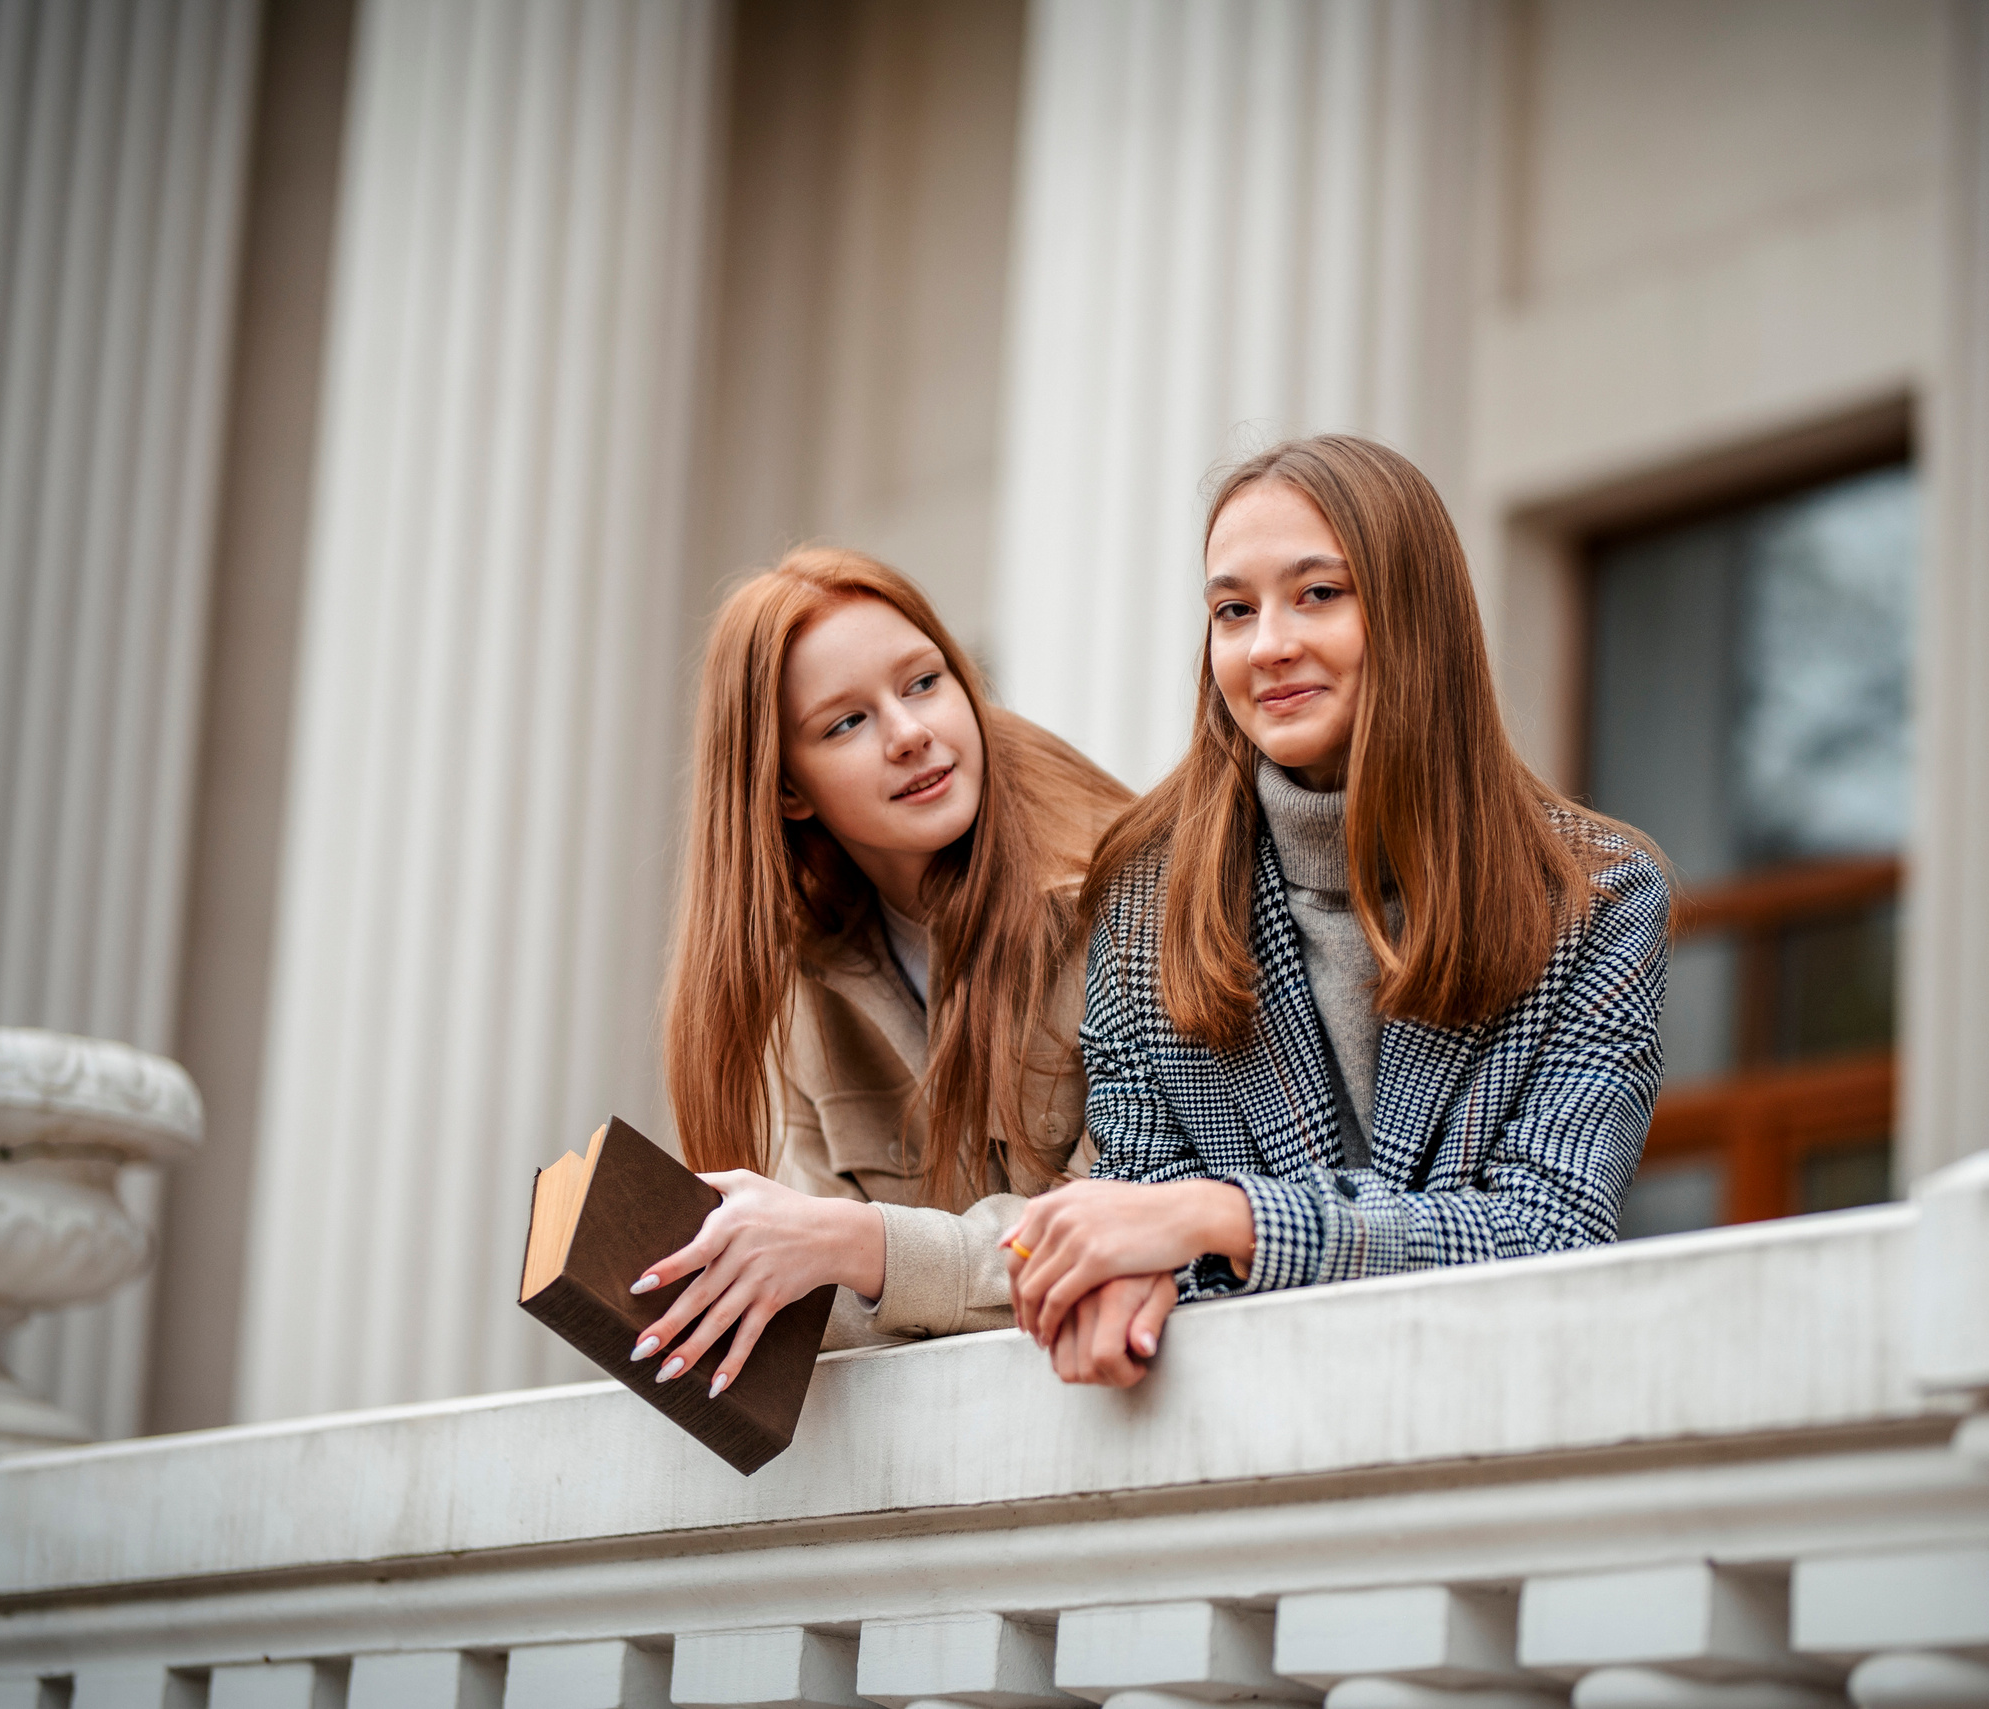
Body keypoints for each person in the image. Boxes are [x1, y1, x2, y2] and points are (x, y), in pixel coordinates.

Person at [1002, 435, 1669, 1387]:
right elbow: (1146, 1236)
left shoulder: (1594, 896)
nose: (1269, 644)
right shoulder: (1147, 906)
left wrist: (1227, 1216)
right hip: (1253, 1448)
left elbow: (1549, 1229)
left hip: (1501, 1423)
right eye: (1234, 610)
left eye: (1319, 593)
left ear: (1414, 614)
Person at [636, 547, 1130, 1398]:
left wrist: (860, 1247)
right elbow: (818, 1309)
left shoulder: (1116, 900)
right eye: (846, 723)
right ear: (789, 789)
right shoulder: (807, 982)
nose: (911, 734)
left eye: (923, 681)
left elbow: (1122, 1223)